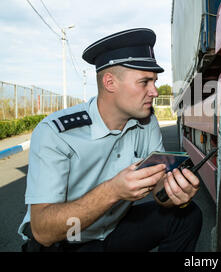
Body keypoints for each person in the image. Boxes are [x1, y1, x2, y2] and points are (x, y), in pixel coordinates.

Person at [18, 28, 202, 252]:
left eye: (154, 81)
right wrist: (113, 191)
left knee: (186, 215)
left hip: (114, 230)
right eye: (144, 82)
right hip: (68, 239)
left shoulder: (146, 122)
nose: (154, 91)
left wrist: (174, 193)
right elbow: (43, 231)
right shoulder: (56, 133)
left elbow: (158, 188)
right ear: (110, 82)